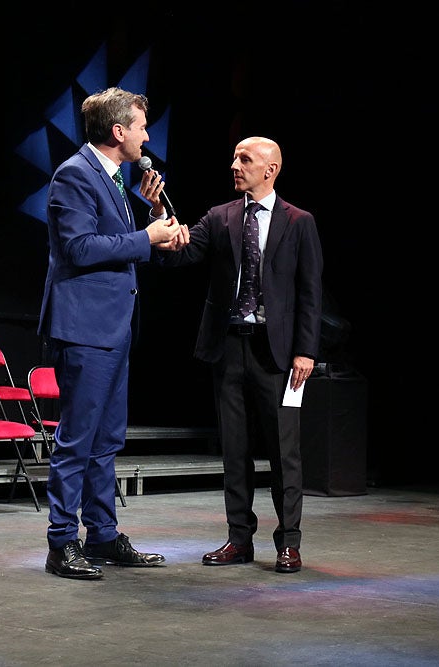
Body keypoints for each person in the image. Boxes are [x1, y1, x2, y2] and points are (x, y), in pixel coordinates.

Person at [144, 136, 323, 573]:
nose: (234, 165)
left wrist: (305, 350)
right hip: (229, 348)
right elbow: (178, 253)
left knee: (285, 454)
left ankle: (289, 542)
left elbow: (309, 292)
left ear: (271, 169)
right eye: (234, 157)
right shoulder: (221, 217)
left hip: (277, 354)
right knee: (235, 451)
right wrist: (159, 217)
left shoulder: (299, 222)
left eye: (245, 159)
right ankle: (238, 539)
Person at [38, 87, 186, 580]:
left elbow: (115, 244)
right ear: (119, 132)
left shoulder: (118, 179)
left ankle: (101, 534)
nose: (148, 136)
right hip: (84, 328)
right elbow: (79, 248)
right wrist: (148, 238)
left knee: (106, 441)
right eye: (142, 127)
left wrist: (151, 218)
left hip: (113, 327)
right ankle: (62, 543)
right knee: (77, 440)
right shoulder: (74, 175)